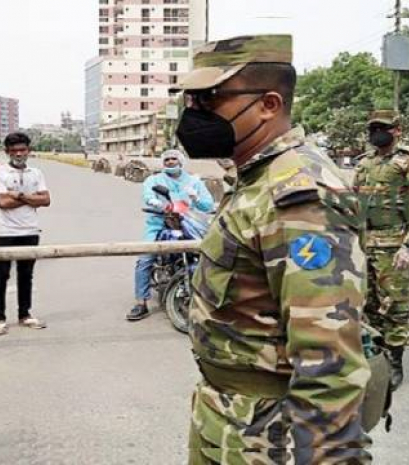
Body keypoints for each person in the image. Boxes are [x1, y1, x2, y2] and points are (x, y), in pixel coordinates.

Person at [172, 35, 372, 463]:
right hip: (227, 417)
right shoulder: (255, 178)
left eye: (209, 99)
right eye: (190, 100)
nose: (193, 114)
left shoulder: (300, 195)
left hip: (270, 435)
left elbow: (330, 363)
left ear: (268, 105)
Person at [354, 110, 409, 391]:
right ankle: (377, 359)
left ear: (397, 130)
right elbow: (355, 201)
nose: (377, 133)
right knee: (369, 303)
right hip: (365, 242)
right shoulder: (365, 162)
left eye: (382, 128)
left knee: (395, 305)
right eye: (373, 128)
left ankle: (395, 361)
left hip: (394, 243)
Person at [126, 149, 214, 321]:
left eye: (174, 159)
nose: (170, 162)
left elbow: (208, 205)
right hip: (159, 223)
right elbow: (148, 196)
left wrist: (196, 198)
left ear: (181, 161)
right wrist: (159, 204)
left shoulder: (193, 181)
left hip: (188, 223)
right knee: (145, 259)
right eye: (167, 159)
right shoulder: (154, 179)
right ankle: (141, 303)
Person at [0, 132, 50, 336]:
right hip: (5, 232)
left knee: (26, 275)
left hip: (30, 230)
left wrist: (20, 195)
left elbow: (46, 200)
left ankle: (25, 314)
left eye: (22, 150)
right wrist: (32, 198)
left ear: (28, 151)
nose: (18, 154)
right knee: (0, 276)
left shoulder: (36, 173)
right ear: (7, 152)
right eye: (14, 150)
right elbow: (3, 203)